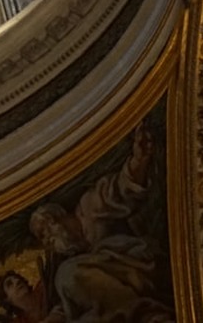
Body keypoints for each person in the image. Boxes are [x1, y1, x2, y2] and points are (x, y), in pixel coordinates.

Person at [27, 124, 173, 322]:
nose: (48, 242)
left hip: (137, 265)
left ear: (57, 217)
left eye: (45, 233)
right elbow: (77, 296)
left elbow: (121, 189)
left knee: (66, 274)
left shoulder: (89, 207)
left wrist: (139, 160)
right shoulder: (76, 251)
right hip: (112, 287)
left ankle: (139, 312)